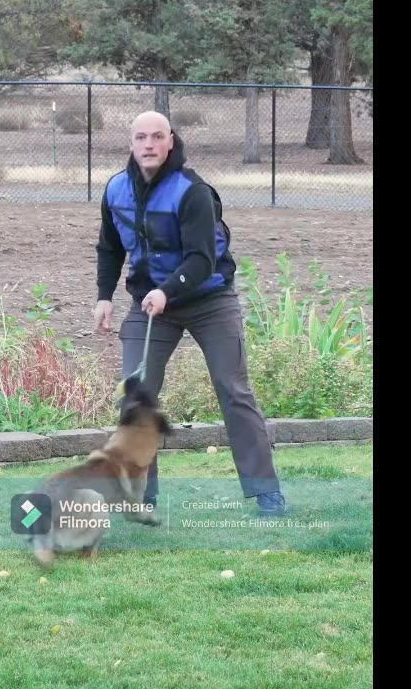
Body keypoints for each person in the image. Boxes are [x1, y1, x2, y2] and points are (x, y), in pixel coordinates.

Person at [92, 110, 286, 517]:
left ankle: (266, 492)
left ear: (171, 141)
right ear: (131, 143)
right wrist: (104, 296)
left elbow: (203, 259)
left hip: (209, 301)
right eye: (140, 137)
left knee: (233, 390)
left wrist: (166, 290)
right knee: (137, 392)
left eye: (157, 137)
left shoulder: (192, 191)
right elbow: (110, 248)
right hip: (149, 306)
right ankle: (142, 496)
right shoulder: (114, 190)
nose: (148, 144)